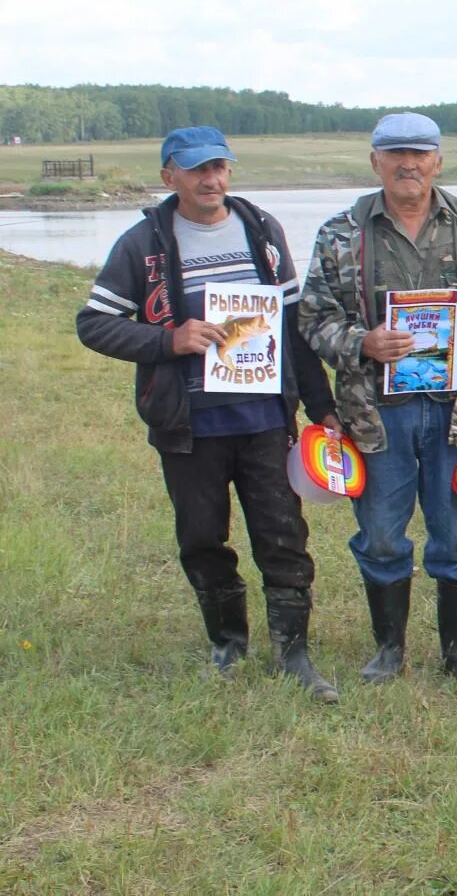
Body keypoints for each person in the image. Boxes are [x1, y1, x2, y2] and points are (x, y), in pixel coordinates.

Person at [76, 126, 339, 702]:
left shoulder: (262, 231)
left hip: (265, 420)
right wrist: (168, 340)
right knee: (201, 536)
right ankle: (227, 642)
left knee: (283, 534)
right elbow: (93, 323)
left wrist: (323, 410)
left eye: (219, 167)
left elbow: (293, 330)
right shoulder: (142, 244)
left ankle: (293, 652)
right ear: (169, 176)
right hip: (188, 423)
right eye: (196, 170)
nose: (210, 180)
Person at [299, 112, 457, 691]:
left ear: (438, 161)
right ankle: (388, 650)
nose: (408, 164)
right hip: (376, 416)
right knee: (380, 533)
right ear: (374, 162)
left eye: (420, 154)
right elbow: (313, 318)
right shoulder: (340, 233)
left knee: (455, 534)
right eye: (395, 154)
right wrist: (362, 342)